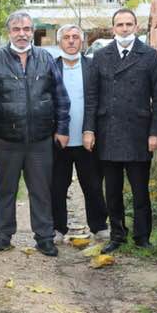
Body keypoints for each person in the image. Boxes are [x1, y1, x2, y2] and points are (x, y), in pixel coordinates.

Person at [0, 11, 70, 256]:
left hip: (40, 139)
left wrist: (62, 128)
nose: (22, 34)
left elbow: (60, 97)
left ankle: (45, 237)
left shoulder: (46, 59)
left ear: (32, 31)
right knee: (6, 190)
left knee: (41, 190)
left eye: (26, 29)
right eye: (17, 29)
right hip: (7, 139)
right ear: (9, 32)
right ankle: (3, 236)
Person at [83, 8, 157, 253]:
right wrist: (89, 130)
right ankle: (117, 234)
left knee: (140, 189)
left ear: (136, 27)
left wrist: (155, 131)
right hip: (109, 130)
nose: (125, 28)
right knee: (113, 189)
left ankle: (142, 236)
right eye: (120, 24)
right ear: (113, 28)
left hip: (138, 131)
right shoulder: (101, 56)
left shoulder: (150, 55)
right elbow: (92, 97)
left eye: (129, 24)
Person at [52, 24, 108, 241]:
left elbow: (98, 101)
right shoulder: (52, 67)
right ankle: (58, 228)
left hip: (88, 138)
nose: (72, 41)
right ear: (60, 42)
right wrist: (55, 130)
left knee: (92, 184)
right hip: (60, 139)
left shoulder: (92, 66)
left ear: (82, 41)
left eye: (76, 37)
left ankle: (99, 226)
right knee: (57, 185)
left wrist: (91, 129)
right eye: (67, 37)